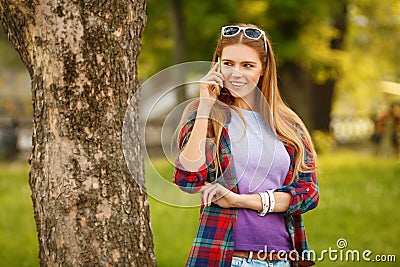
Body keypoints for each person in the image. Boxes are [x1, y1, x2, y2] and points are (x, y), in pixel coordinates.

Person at [173, 23, 319, 267]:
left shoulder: (287, 123)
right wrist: (206, 105)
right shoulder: (205, 115)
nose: (236, 74)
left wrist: (240, 201)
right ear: (217, 64)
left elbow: (308, 194)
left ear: (263, 69)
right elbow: (187, 179)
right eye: (228, 63)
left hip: (283, 259)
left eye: (247, 66)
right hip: (227, 258)